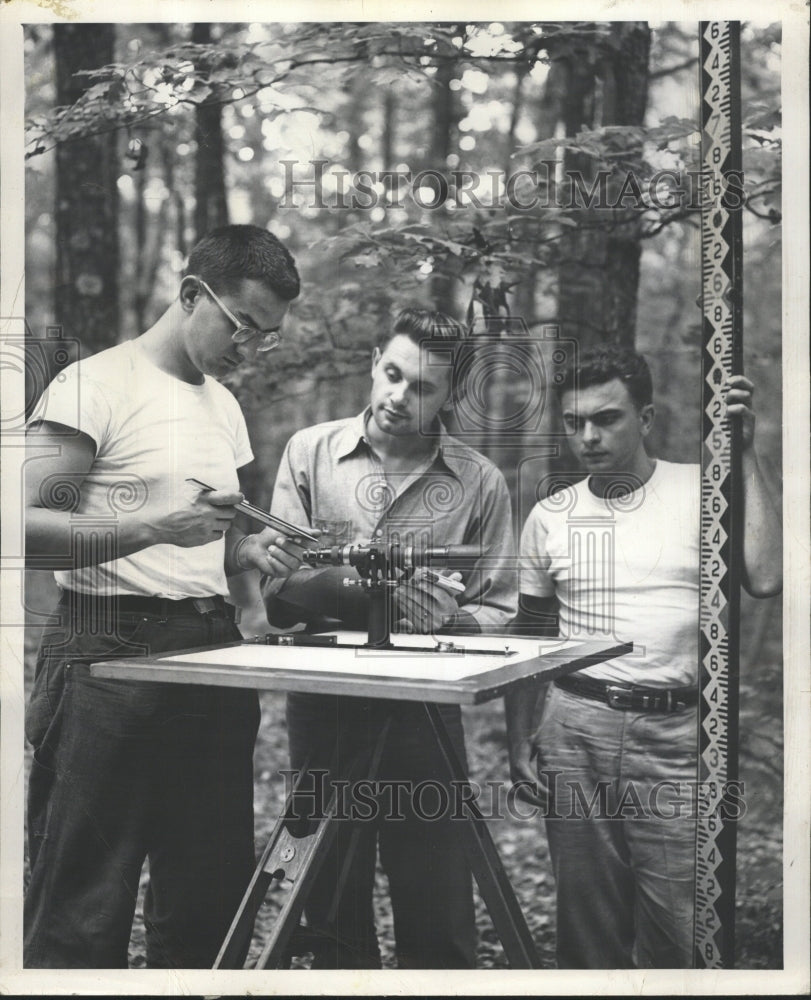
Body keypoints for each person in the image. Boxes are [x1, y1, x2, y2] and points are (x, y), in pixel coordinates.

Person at [24, 224, 306, 968]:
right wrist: (153, 526)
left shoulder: (223, 406)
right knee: (83, 902)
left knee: (209, 897)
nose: (251, 347)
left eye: (266, 336)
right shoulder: (94, 385)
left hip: (209, 654)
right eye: (244, 325)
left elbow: (212, 545)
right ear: (190, 294)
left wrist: (245, 551)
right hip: (106, 654)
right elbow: (20, 533)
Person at [506, 345, 782, 969]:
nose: (588, 436)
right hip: (575, 726)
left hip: (679, 728)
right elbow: (533, 633)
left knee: (680, 924)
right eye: (574, 423)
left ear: (647, 418)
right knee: (587, 923)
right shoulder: (552, 514)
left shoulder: (702, 490)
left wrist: (743, 453)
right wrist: (519, 733)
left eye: (606, 418)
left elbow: (765, 576)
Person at [260, 308, 518, 968]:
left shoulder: (480, 481)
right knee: (330, 887)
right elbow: (279, 587)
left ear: (449, 397)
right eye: (393, 375)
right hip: (325, 700)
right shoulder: (310, 451)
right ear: (377, 361)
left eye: (422, 388)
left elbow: (499, 608)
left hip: (424, 709)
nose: (399, 397)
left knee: (436, 894)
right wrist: (370, 592)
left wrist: (451, 622)